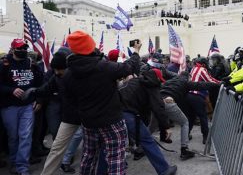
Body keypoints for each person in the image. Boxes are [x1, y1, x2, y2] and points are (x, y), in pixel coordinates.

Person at [63, 31, 141, 175]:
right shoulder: (105, 67)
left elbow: (70, 100)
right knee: (116, 158)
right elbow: (129, 67)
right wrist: (136, 51)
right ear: (91, 47)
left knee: (89, 157)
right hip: (112, 122)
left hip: (88, 123)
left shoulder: (68, 74)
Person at [119, 65, 177, 175]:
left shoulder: (135, 81)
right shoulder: (151, 85)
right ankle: (164, 170)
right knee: (148, 141)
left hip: (113, 114)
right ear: (157, 79)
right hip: (128, 115)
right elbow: (158, 107)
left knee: (112, 145)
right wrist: (167, 126)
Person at [0, 39, 43, 175]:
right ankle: (13, 162)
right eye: (20, 48)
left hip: (27, 106)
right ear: (13, 49)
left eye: (25, 48)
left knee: (25, 136)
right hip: (9, 107)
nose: (23, 50)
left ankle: (22, 167)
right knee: (13, 136)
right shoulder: (4, 65)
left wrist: (39, 99)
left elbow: (40, 84)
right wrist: (11, 90)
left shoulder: (32, 64)